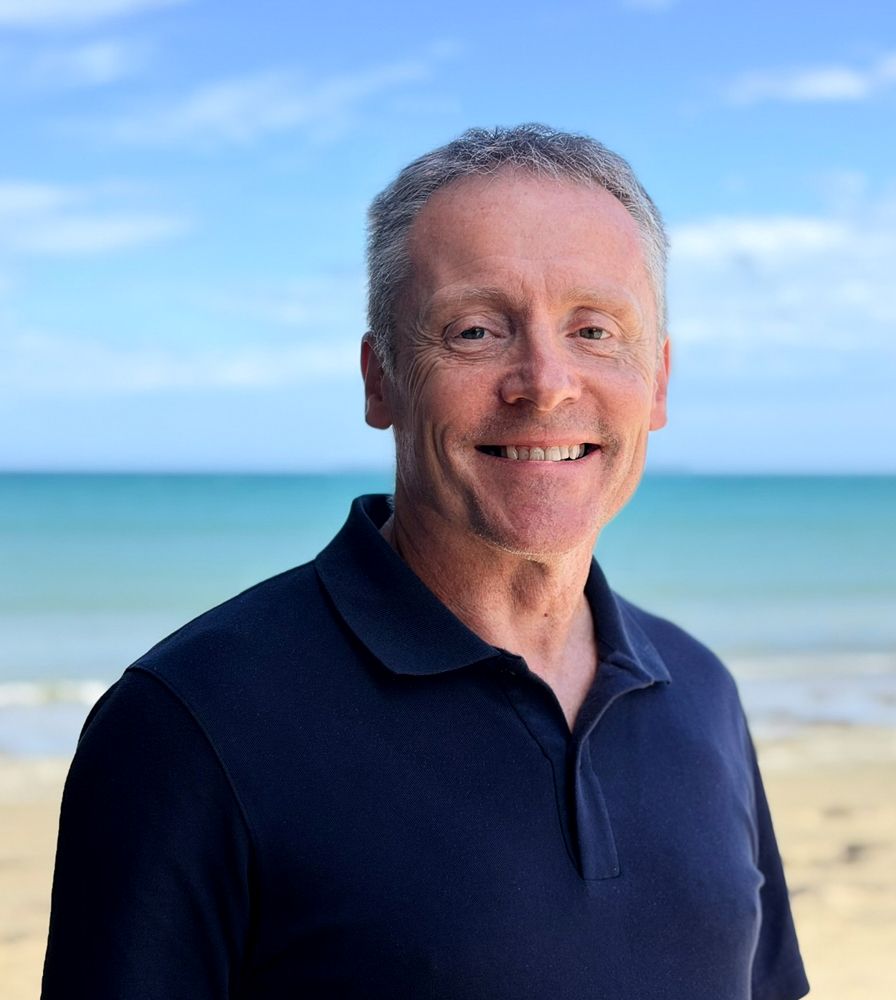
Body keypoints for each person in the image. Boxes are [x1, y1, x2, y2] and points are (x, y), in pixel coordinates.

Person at [42, 124, 809, 999]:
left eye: (594, 330)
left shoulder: (699, 690)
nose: (546, 383)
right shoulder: (188, 725)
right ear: (381, 379)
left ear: (659, 381)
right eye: (475, 330)